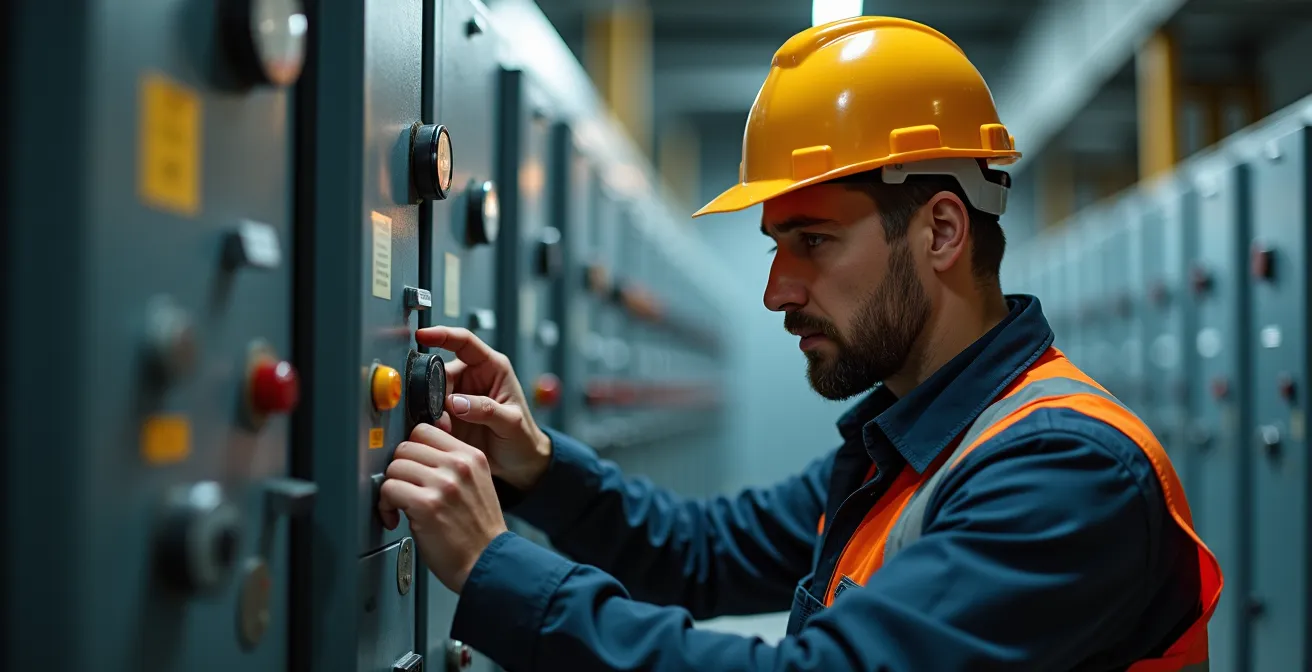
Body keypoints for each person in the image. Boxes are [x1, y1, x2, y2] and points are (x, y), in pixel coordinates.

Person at [376, 16, 1223, 671]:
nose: (777, 290)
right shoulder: (915, 443)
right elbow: (702, 553)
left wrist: (496, 566)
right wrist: (534, 462)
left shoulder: (1065, 476)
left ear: (940, 232)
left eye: (812, 242)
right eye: (774, 245)